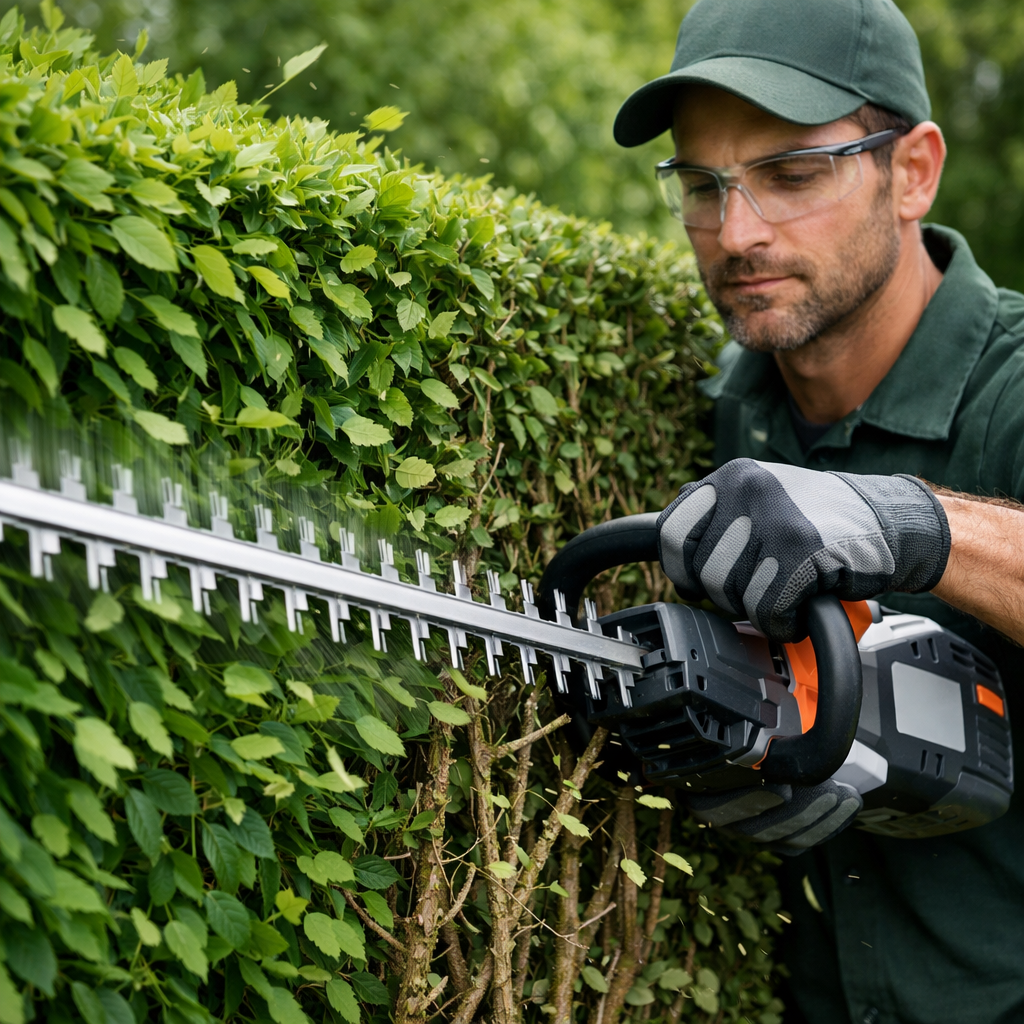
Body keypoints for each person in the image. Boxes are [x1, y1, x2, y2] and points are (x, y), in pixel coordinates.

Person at [612, 1, 1024, 1022]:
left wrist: (903, 522)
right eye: (702, 186)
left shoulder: (1011, 383)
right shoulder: (731, 406)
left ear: (912, 172)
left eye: (792, 175)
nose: (737, 231)